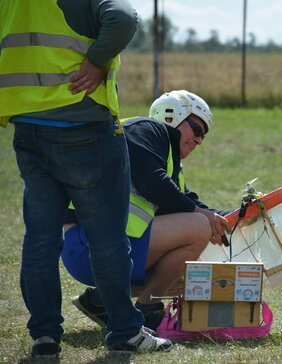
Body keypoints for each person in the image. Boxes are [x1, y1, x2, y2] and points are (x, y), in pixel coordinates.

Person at [0, 0, 173, 357]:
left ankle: (45, 337)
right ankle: (125, 331)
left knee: (40, 241)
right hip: (86, 129)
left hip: (28, 127)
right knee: (108, 240)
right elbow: (123, 18)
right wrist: (96, 62)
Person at [61, 90, 232, 331]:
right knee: (198, 228)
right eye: (197, 129)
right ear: (172, 116)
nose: (200, 140)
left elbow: (191, 203)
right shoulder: (147, 128)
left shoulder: (165, 159)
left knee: (185, 274)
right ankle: (145, 312)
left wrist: (240, 213)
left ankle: (100, 301)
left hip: (97, 248)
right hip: (87, 244)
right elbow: (152, 182)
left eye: (203, 135)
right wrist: (205, 218)